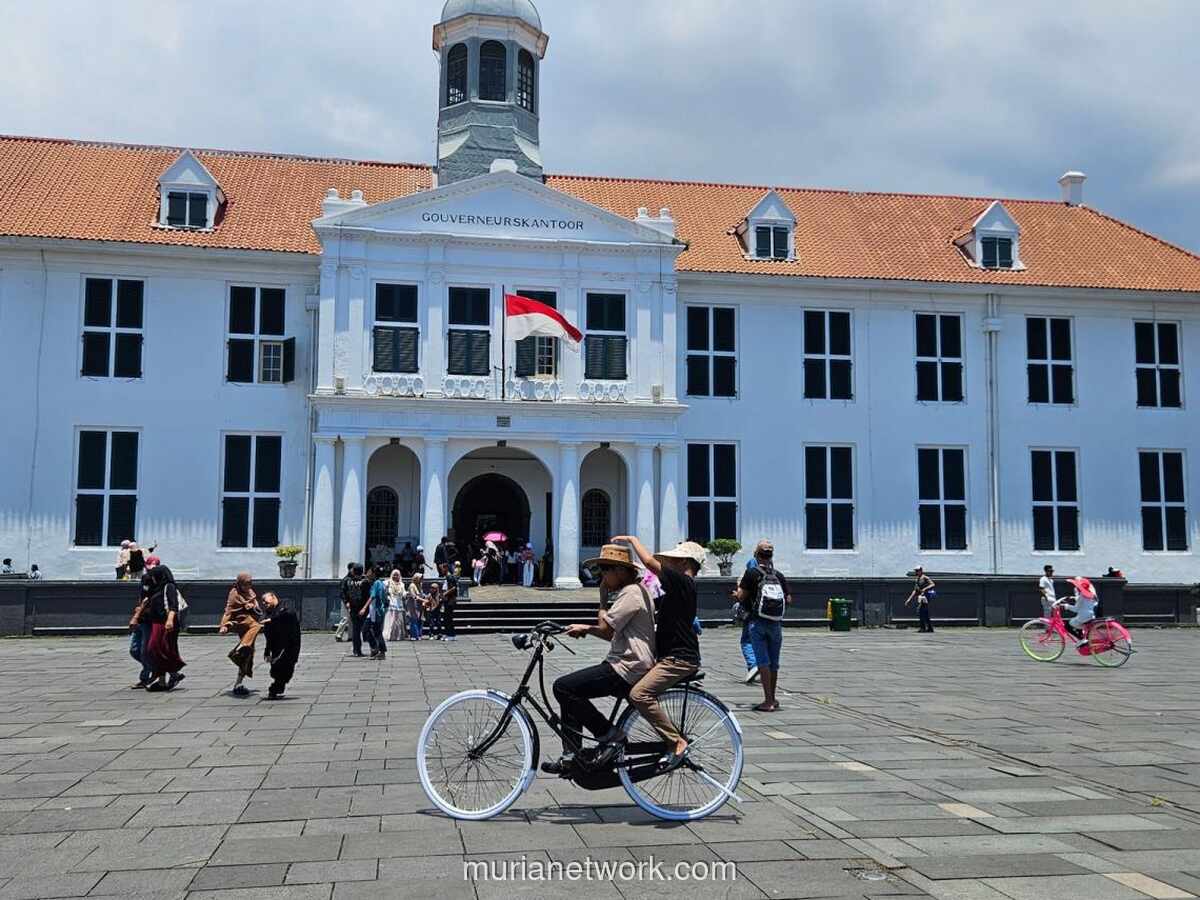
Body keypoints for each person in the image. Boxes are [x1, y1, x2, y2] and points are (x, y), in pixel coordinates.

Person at [543, 543, 655, 775]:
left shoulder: (631, 593)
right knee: (571, 691)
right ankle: (571, 756)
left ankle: (609, 734)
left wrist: (601, 601)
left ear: (622, 571)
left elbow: (605, 629)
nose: (602, 574)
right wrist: (587, 628)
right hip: (624, 661)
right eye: (601, 569)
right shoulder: (633, 591)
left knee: (563, 687)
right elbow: (612, 634)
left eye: (606, 569)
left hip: (629, 666)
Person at [615, 536, 703, 768]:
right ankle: (664, 735)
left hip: (679, 659)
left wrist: (632, 540)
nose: (669, 566)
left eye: (674, 561)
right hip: (668, 657)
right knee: (630, 686)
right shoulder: (676, 590)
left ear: (686, 564)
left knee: (639, 695)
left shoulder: (684, 582)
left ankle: (676, 741)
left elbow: (650, 562)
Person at [736, 540, 790, 712]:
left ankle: (767, 701)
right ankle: (773, 698)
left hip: (757, 622)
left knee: (763, 662)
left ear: (756, 555)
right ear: (771, 556)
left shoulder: (751, 573)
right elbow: (788, 599)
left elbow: (741, 596)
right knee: (774, 663)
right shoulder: (779, 575)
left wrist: (736, 593)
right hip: (776, 624)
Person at [141, 565, 185, 691]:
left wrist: (170, 619)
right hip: (156, 622)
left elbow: (173, 606)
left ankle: (173, 673)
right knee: (159, 650)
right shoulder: (156, 588)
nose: (152, 578)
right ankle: (162, 681)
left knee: (156, 649)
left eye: (154, 576)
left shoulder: (169, 587)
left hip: (165, 623)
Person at [220, 573, 264, 696]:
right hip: (240, 621)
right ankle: (240, 647)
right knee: (256, 626)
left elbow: (258, 609)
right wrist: (223, 625)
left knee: (248, 653)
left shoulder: (251, 592)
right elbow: (228, 611)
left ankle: (238, 683)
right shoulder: (234, 594)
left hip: (250, 621)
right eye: (246, 583)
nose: (248, 586)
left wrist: (252, 606)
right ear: (239, 583)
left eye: (250, 583)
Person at [261, 592, 301, 699]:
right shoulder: (267, 613)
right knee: (276, 669)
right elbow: (267, 633)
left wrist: (273, 620)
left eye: (266, 600)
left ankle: (275, 688)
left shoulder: (285, 605)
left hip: (290, 643)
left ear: (273, 597)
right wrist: (267, 651)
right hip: (276, 644)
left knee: (287, 668)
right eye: (263, 602)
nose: (264, 603)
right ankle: (277, 686)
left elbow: (290, 614)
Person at [736, 556, 760, 684]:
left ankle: (753, 665)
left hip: (751, 614)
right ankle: (765, 667)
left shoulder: (750, 577)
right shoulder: (773, 575)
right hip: (769, 616)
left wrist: (737, 594)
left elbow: (741, 596)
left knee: (746, 641)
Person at [127, 578, 153, 688]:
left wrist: (137, 614)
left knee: (144, 652)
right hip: (141, 621)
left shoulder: (160, 585)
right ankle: (153, 668)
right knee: (134, 650)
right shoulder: (145, 582)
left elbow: (147, 601)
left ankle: (145, 677)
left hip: (149, 621)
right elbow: (142, 599)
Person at [1060, 576, 1099, 646]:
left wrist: (1066, 606)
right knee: (1077, 623)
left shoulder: (1082, 595)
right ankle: (1083, 639)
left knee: (1067, 625)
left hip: (1083, 616)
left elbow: (1076, 609)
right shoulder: (1091, 595)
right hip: (1091, 615)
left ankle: (1081, 640)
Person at [342, 564, 368, 656]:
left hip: (353, 608)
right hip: (363, 608)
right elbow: (368, 595)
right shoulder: (365, 581)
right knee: (366, 628)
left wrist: (347, 603)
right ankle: (373, 647)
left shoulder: (348, 581)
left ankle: (356, 650)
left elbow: (344, 593)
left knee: (356, 630)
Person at [365, 569, 388, 659]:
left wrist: (364, 608)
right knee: (366, 630)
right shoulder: (377, 583)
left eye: (369, 572)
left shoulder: (377, 583)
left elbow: (373, 596)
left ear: (374, 574)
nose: (367, 573)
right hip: (373, 611)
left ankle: (381, 652)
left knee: (377, 632)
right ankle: (375, 648)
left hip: (377, 611)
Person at [905, 566, 936, 633]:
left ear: (921, 570)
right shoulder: (917, 579)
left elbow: (932, 584)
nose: (916, 572)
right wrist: (909, 599)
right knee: (925, 612)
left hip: (926, 597)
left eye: (917, 570)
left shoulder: (925, 577)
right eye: (916, 571)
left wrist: (925, 589)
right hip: (921, 597)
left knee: (921, 611)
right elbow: (915, 590)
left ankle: (923, 628)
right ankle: (929, 628)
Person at [384, 569, 407, 641]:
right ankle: (389, 635)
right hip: (391, 602)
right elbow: (384, 590)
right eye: (394, 574)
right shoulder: (387, 582)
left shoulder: (402, 584)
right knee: (391, 620)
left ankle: (397, 636)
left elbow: (403, 593)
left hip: (399, 603)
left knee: (398, 621)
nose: (395, 576)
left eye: (397, 575)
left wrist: (406, 594)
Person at [406, 571, 425, 640]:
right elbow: (414, 596)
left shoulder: (419, 585)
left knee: (419, 620)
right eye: (420, 578)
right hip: (412, 605)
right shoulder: (412, 585)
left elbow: (421, 594)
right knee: (413, 620)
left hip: (419, 605)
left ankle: (419, 635)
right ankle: (414, 635)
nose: (421, 580)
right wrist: (423, 600)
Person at [442, 566, 459, 641]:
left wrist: (445, 593)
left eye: (442, 568)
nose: (441, 570)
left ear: (446, 569)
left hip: (450, 600)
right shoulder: (447, 577)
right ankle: (448, 634)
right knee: (447, 617)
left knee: (448, 618)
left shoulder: (450, 577)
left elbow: (453, 588)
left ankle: (451, 635)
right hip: (448, 600)